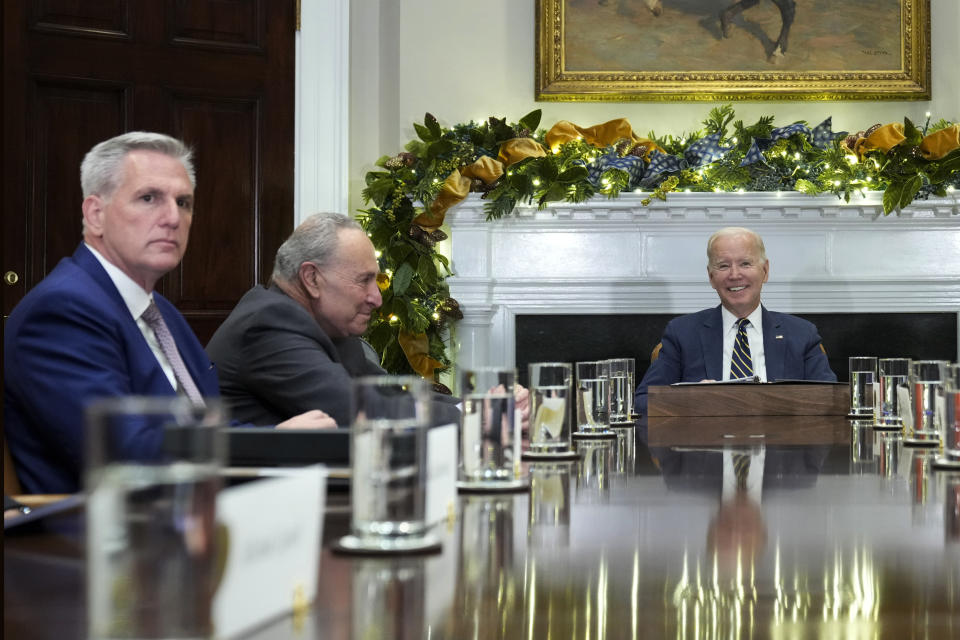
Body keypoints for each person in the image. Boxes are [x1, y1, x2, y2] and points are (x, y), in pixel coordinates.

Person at [4, 132, 332, 494]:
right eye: (149, 198)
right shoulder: (60, 312)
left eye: (184, 202)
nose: (173, 218)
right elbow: (125, 456)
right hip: (105, 538)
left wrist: (280, 439)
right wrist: (272, 446)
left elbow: (206, 425)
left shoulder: (163, 314)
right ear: (95, 215)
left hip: (197, 516)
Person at [207, 212, 475, 428]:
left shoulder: (326, 324)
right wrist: (480, 419)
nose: (377, 299)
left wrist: (481, 407)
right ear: (311, 279)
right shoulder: (268, 325)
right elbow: (359, 411)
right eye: (364, 280)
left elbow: (391, 394)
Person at [635, 226, 836, 416]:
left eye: (745, 264)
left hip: (781, 447)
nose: (734, 274)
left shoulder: (802, 334)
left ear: (765, 271)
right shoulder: (682, 333)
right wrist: (691, 400)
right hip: (705, 448)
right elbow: (643, 401)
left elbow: (831, 400)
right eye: (723, 266)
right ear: (711, 276)